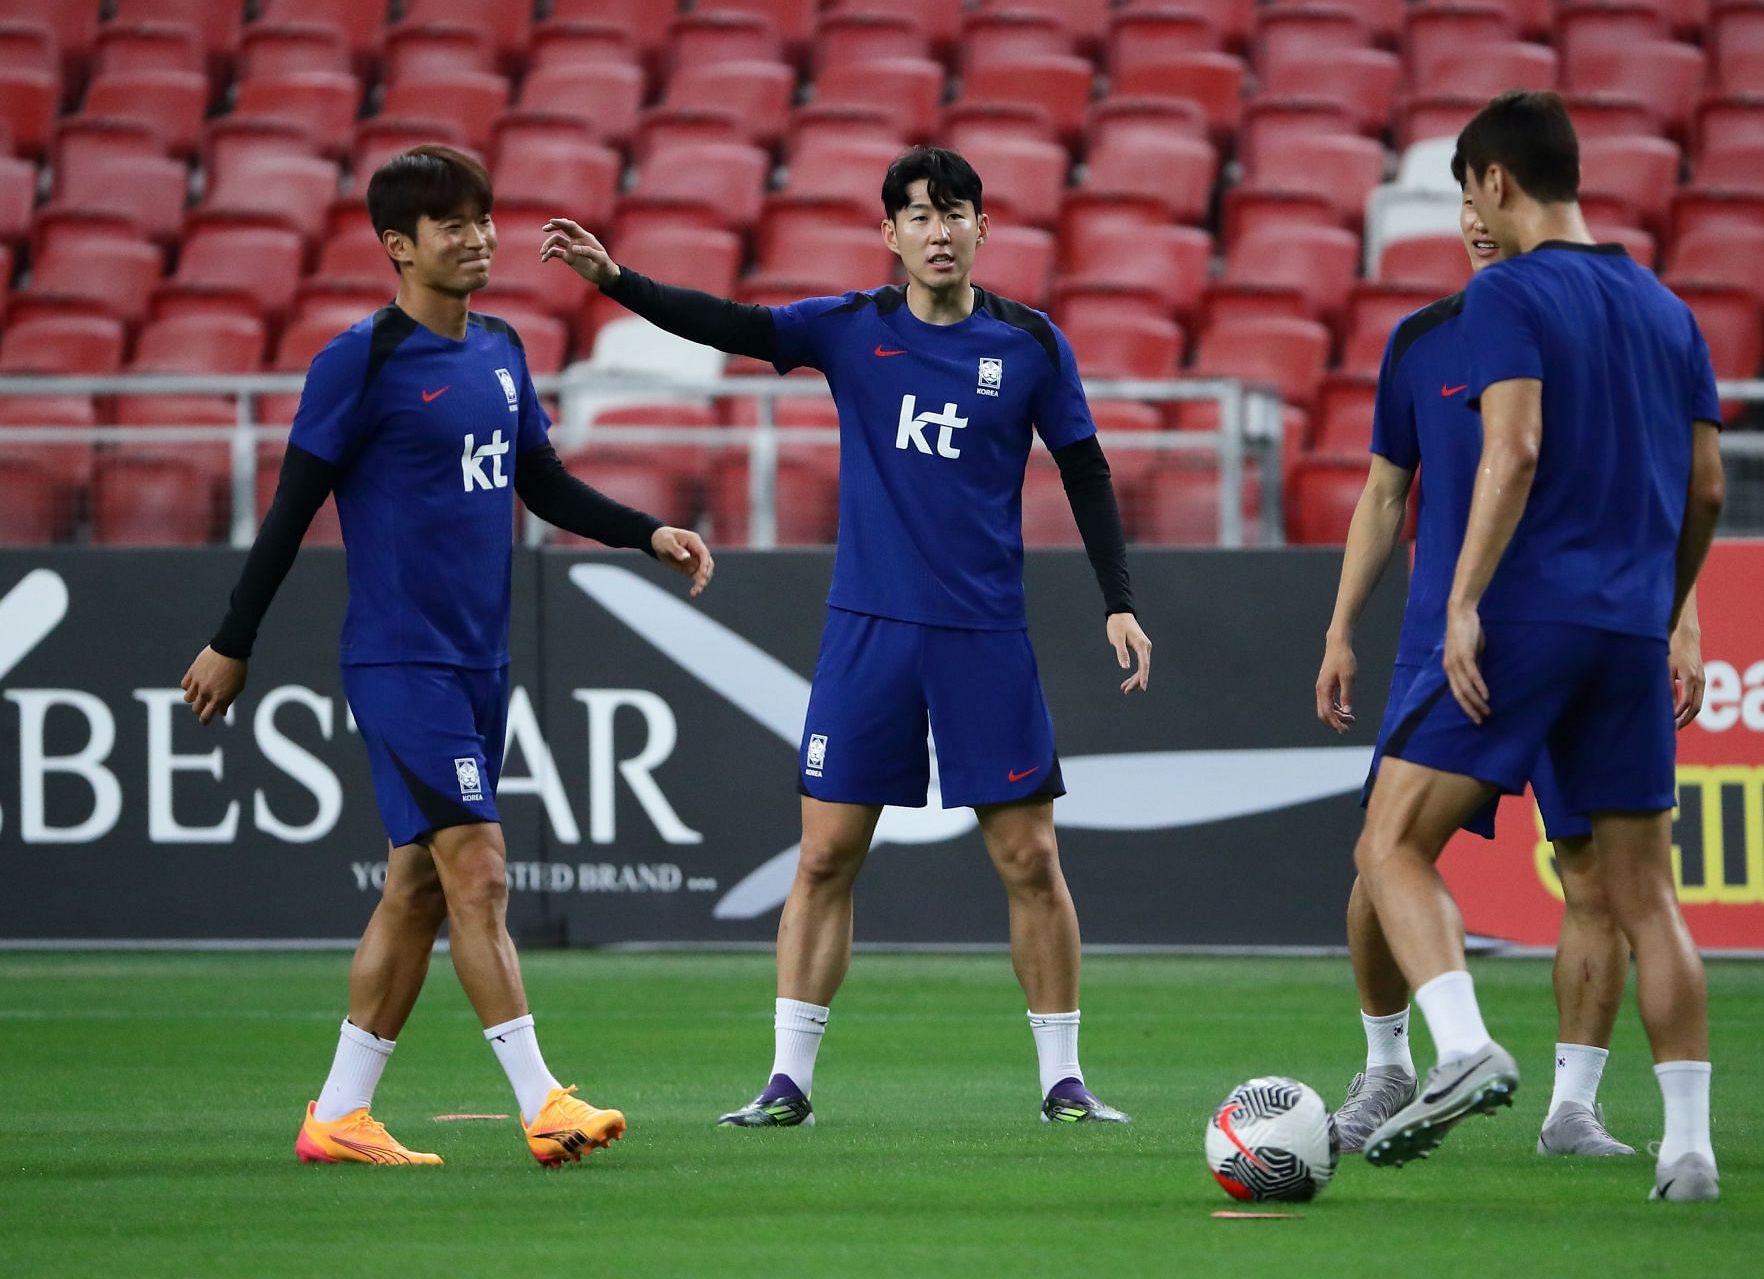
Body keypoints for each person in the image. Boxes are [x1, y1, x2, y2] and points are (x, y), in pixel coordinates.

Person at [541, 146, 1152, 1127]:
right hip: (869, 630)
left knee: (1031, 857)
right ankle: (788, 1080)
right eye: (917, 215)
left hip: (983, 634)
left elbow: (1083, 465)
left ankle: (1063, 1080)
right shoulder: (848, 328)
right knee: (825, 854)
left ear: (983, 229)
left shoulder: (1030, 343)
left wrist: (1117, 597)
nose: (938, 231)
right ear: (892, 235)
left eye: (955, 213)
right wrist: (618, 282)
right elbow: (732, 325)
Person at [178, 144, 715, 1166]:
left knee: (417, 887)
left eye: (483, 219)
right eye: (451, 225)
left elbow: (544, 483)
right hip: (400, 659)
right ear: (398, 247)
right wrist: (232, 639)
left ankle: (338, 1113)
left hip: (478, 661)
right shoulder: (360, 361)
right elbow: (292, 511)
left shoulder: (504, 347)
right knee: (480, 869)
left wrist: (647, 529)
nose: (477, 239)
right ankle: (543, 1098)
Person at [1347, 93, 1725, 1203]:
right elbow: (1705, 486)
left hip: (1533, 617)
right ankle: (1689, 1147)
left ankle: (1461, 1043)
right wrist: (1670, 599)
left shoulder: (1508, 291)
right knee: (1644, 894)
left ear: (1497, 183)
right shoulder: (1666, 306)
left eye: (1468, 190)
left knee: (1388, 843)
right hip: (1627, 630)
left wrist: (1463, 599)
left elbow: (1510, 452)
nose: (1470, 210)